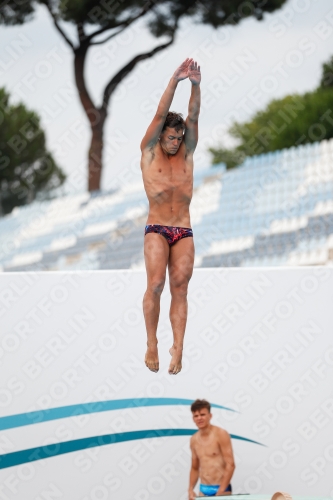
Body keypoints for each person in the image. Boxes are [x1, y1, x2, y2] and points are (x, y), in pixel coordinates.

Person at [140, 58, 201, 375]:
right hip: (157, 229)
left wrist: (195, 85)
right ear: (161, 136)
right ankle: (152, 342)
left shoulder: (187, 152)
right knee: (155, 284)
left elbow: (193, 116)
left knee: (181, 287)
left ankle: (177, 347)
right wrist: (175, 81)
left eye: (180, 138)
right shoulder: (150, 150)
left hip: (184, 230)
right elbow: (160, 114)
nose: (177, 143)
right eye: (171, 138)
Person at [189, 399, 235, 498]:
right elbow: (194, 467)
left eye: (202, 414)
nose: (199, 418)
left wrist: (221, 491)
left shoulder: (221, 434)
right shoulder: (193, 440)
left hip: (221, 489)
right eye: (196, 416)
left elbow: (230, 464)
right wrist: (190, 489)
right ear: (193, 418)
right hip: (203, 489)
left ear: (210, 416)